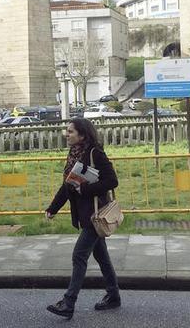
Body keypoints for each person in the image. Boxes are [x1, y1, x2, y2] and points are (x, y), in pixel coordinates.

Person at [45, 118, 120, 320]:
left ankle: (68, 302)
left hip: (95, 215)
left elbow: (112, 180)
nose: (66, 134)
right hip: (85, 213)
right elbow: (68, 186)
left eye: (70, 131)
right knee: (102, 257)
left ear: (82, 135)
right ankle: (113, 296)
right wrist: (52, 208)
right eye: (67, 131)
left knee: (79, 256)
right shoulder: (73, 155)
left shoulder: (95, 153)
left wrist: (84, 189)